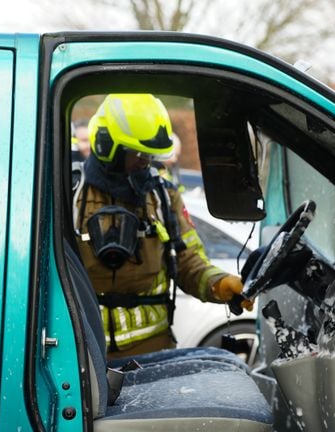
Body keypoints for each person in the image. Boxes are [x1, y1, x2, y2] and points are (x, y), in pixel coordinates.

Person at [75, 93, 251, 358]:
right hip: (80, 355)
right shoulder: (69, 193)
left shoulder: (162, 195)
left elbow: (189, 262)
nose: (146, 161)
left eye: (149, 154)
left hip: (152, 357)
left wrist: (220, 284)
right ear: (106, 145)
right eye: (138, 153)